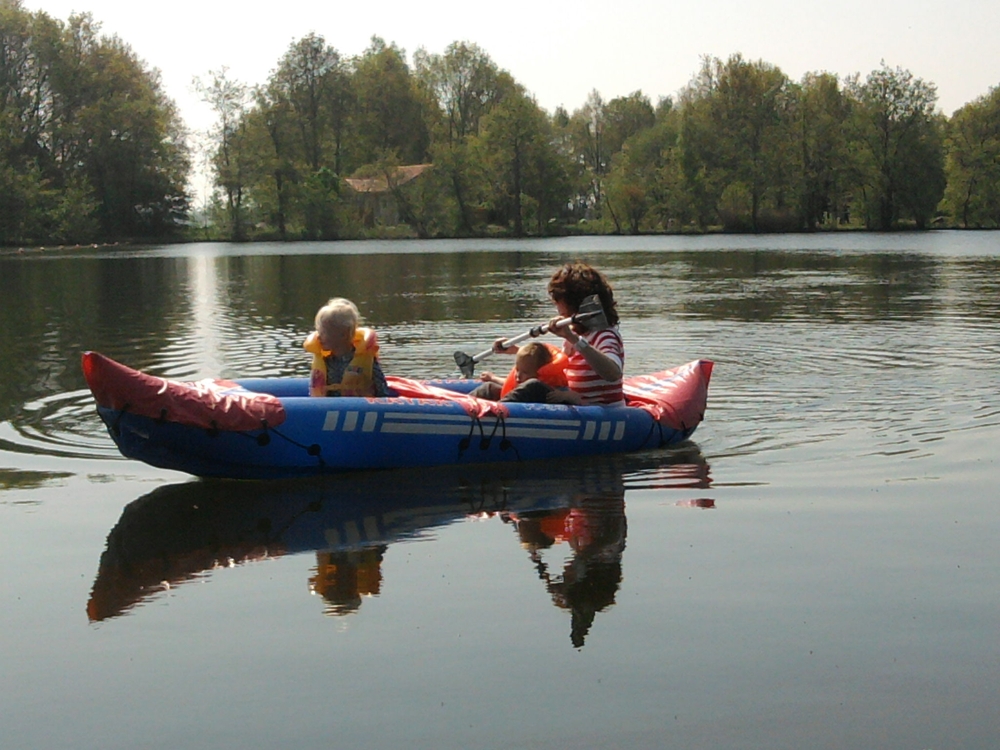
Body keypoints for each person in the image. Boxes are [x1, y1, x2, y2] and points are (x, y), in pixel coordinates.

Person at [492, 263, 624, 407]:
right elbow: (554, 368)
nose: (557, 308)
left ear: (573, 302)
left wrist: (573, 339)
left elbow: (613, 373)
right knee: (490, 389)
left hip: (596, 411)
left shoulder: (605, 335)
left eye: (559, 301)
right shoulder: (574, 334)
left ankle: (494, 414)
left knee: (534, 386)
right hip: (568, 402)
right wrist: (516, 350)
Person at [305, 297, 390, 397]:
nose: (318, 337)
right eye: (318, 332)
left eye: (324, 333)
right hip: (329, 410)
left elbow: (383, 393)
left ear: (343, 334)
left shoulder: (367, 361)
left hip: (359, 409)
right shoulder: (325, 362)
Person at [474, 341, 567, 403]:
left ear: (541, 373)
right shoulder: (522, 379)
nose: (518, 376)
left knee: (532, 384)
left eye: (525, 372)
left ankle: (499, 407)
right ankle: (461, 407)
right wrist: (493, 378)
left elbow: (570, 395)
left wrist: (570, 397)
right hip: (519, 402)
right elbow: (515, 385)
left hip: (540, 405)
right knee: (489, 387)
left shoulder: (554, 389)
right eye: (517, 370)